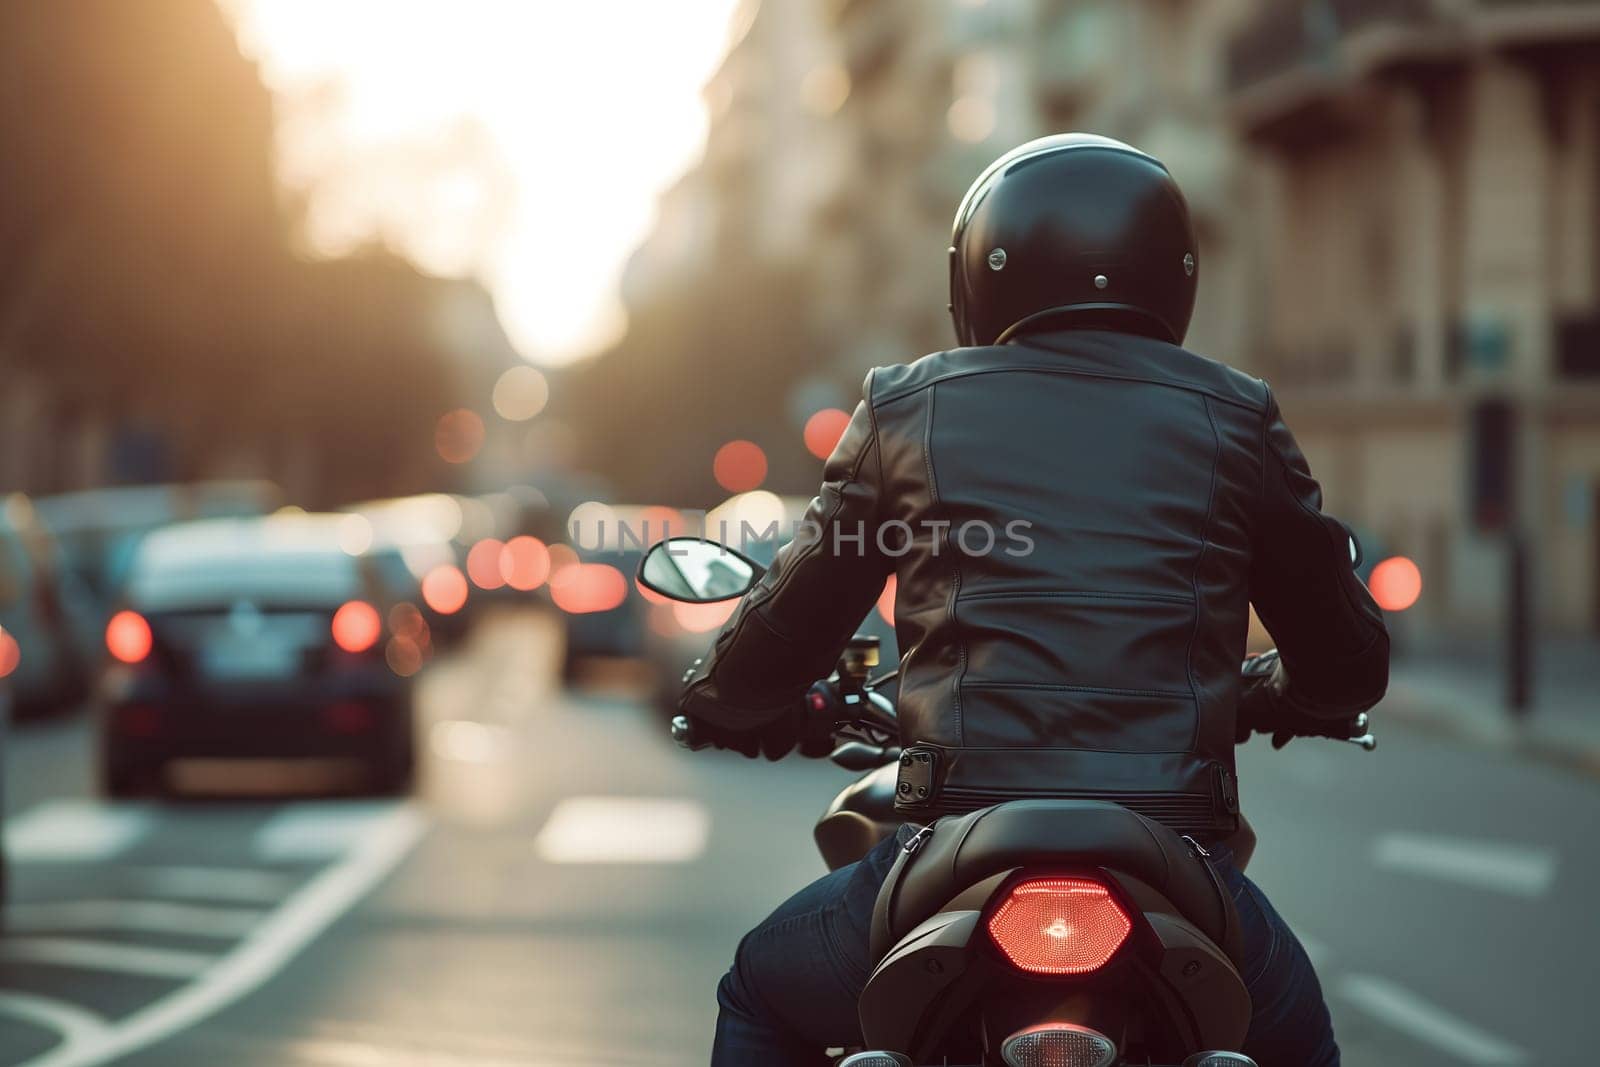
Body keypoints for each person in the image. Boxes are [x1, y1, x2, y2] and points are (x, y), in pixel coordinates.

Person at [678, 133, 1389, 1067]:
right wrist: (1282, 692)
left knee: (762, 988)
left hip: (952, 844)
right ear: (1175, 270)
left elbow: (789, 623)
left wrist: (724, 700)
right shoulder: (1237, 414)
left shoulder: (906, 409)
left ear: (981, 268)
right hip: (1179, 849)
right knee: (1297, 1041)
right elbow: (1347, 664)